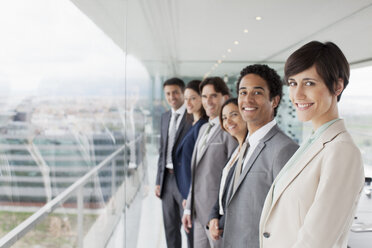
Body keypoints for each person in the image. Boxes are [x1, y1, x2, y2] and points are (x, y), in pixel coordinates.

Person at [259, 41, 365, 248]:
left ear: (337, 86)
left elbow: (316, 242)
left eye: (309, 83)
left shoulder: (341, 151)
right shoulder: (313, 142)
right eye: (292, 83)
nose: (297, 95)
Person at [221, 64, 299, 248]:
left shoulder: (285, 149)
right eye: (242, 92)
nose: (247, 99)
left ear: (274, 101)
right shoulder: (245, 143)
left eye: (257, 93)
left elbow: (288, 220)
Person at [182, 77, 237, 248]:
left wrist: (221, 215)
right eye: (204, 97)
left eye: (213, 96)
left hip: (216, 215)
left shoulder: (231, 131)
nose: (208, 101)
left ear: (225, 98)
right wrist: (188, 208)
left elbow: (233, 176)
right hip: (197, 212)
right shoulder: (203, 129)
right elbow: (195, 173)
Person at [155, 77, 193, 248]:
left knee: (190, 228)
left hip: (186, 180)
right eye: (168, 94)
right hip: (167, 180)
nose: (172, 97)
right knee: (170, 229)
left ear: (183, 93)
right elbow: (162, 151)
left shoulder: (193, 117)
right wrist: (158, 181)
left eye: (175, 93)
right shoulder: (164, 117)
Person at [207, 98, 248, 241]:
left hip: (236, 231)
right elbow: (223, 190)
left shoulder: (251, 152)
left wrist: (221, 224)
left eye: (233, 115)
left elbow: (243, 200)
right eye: (224, 118)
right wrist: (213, 216)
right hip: (225, 228)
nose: (228, 121)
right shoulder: (236, 150)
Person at [175, 80, 208, 201]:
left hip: (193, 192)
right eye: (186, 99)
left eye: (193, 98)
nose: (187, 103)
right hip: (186, 188)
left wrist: (190, 196)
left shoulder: (203, 126)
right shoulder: (191, 124)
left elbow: (200, 166)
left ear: (202, 98)